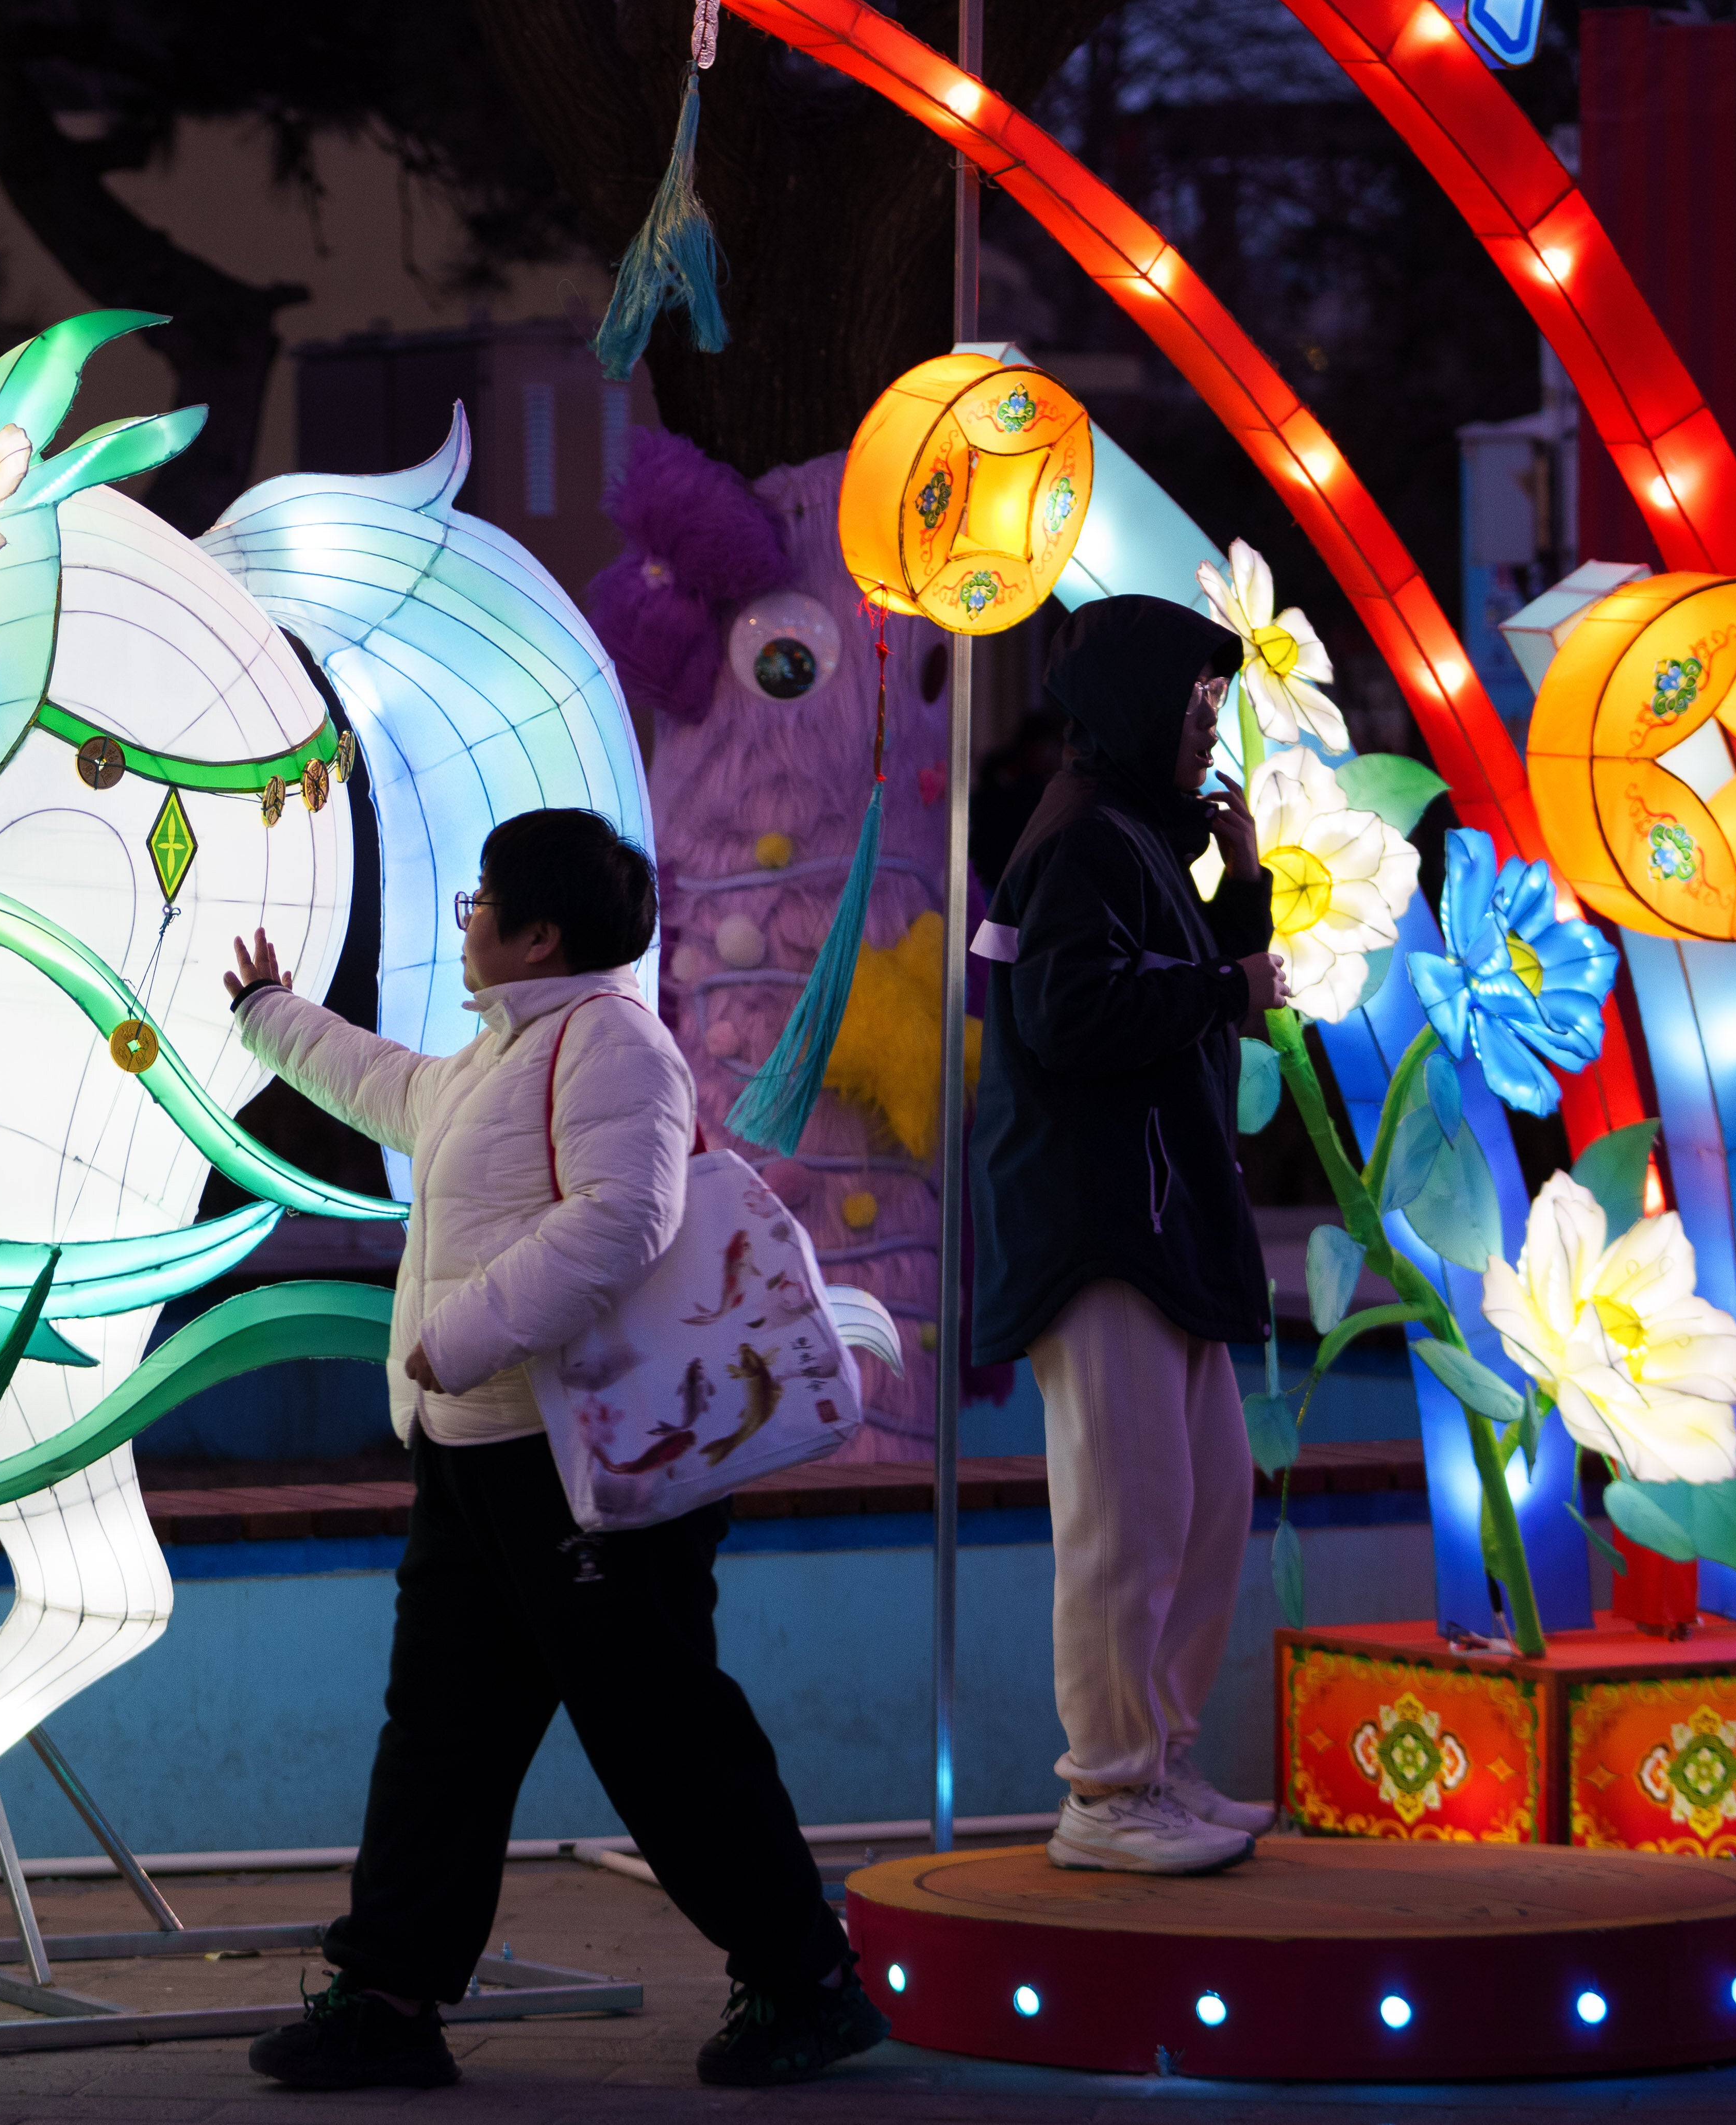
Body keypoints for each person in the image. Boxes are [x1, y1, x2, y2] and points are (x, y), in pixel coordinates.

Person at [220, 807, 883, 2093]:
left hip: (578, 1473)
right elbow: (393, 1090)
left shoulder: (616, 1046)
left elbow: (624, 1220)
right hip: (476, 1462)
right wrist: (272, 1016)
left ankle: (806, 1980)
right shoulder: (503, 1052)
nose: (466, 921)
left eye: (483, 902)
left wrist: (463, 1331)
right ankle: (390, 1997)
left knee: (658, 1732)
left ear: (540, 931)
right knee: (441, 1735)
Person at [964, 595, 1284, 1876]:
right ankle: (1106, 1792)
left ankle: (1159, 1762)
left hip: (1159, 1219)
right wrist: (1221, 977)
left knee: (1204, 1503)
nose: (1209, 727)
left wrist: (1241, 884)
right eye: (1198, 705)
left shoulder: (1134, 835)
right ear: (1142, 706)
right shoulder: (1085, 837)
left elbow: (1198, 981)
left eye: (1215, 707)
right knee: (1129, 1520)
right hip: (1103, 1223)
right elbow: (1069, 1009)